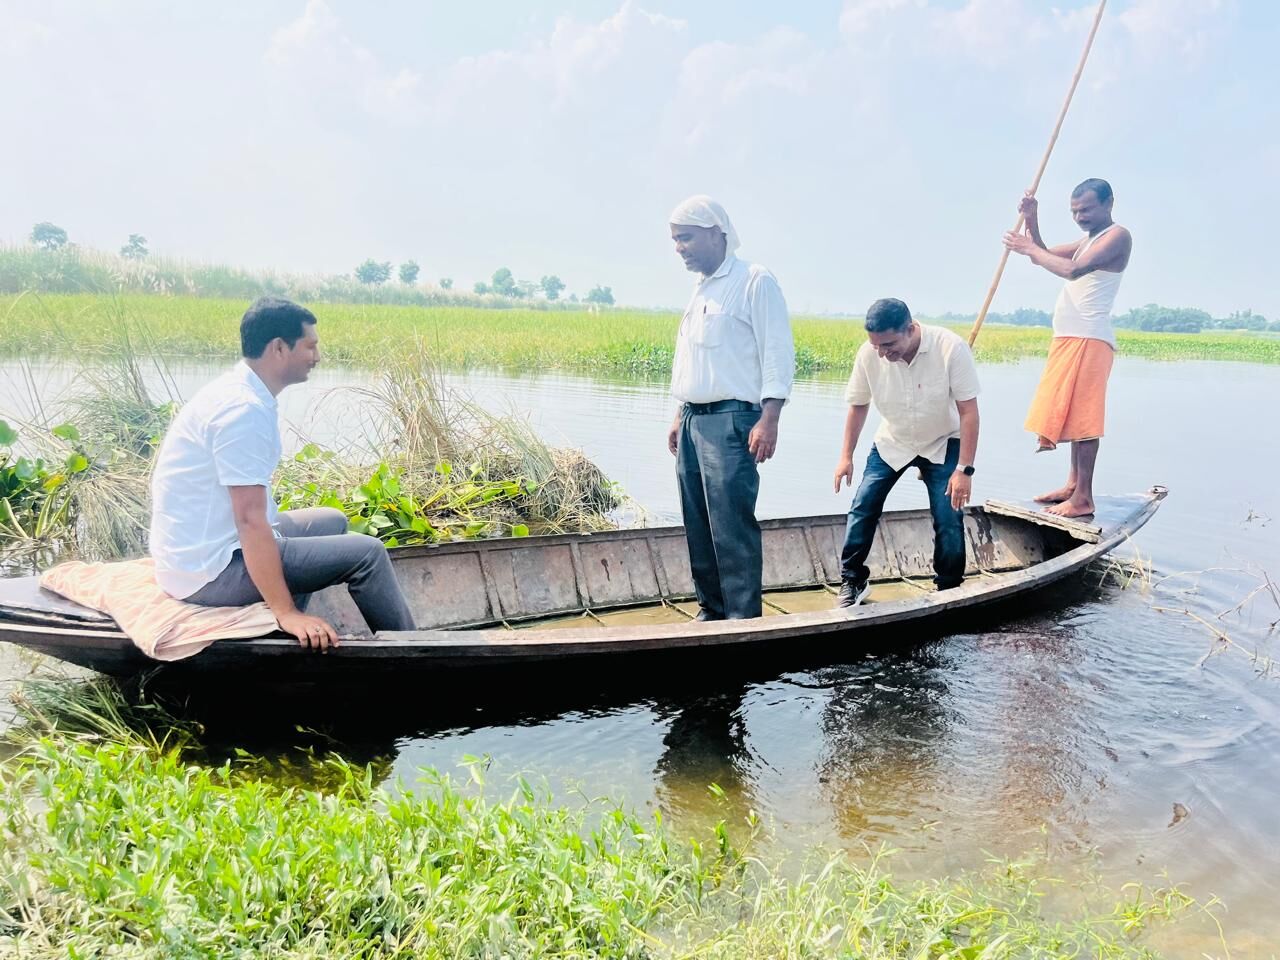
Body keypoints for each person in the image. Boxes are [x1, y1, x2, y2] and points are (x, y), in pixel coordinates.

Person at [148, 296, 416, 651]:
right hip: (208, 571)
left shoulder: (241, 393)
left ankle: (285, 641)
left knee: (332, 519)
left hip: (199, 551)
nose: (317, 357)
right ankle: (413, 648)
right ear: (278, 348)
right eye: (310, 346)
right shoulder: (242, 411)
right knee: (368, 553)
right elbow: (250, 521)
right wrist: (286, 611)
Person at [667, 195, 795, 621]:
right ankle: (712, 609)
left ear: (715, 233)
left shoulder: (754, 280)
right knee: (698, 522)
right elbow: (696, 360)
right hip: (693, 420)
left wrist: (770, 418)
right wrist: (678, 415)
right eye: (675, 240)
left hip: (733, 420)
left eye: (685, 238)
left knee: (731, 525)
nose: (679, 248)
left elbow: (777, 353)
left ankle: (742, 617)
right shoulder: (701, 288)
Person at [833, 298, 980, 607]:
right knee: (863, 504)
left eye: (889, 344)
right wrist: (845, 456)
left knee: (948, 516)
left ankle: (949, 587)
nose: (883, 353)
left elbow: (969, 412)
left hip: (943, 440)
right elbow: (858, 405)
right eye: (877, 346)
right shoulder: (869, 354)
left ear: (911, 329)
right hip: (894, 439)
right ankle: (853, 579)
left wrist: (964, 469)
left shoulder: (950, 347)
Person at [1003, 178, 1133, 518]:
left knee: (1085, 417)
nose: (1081, 216)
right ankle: (1073, 484)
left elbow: (1072, 270)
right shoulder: (1087, 240)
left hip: (1090, 337)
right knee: (1072, 412)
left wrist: (1028, 247)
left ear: (1109, 203)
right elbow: (1042, 255)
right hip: (1070, 337)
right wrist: (1032, 219)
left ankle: (1084, 498)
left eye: (1087, 209)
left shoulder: (1117, 236)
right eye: (1075, 211)